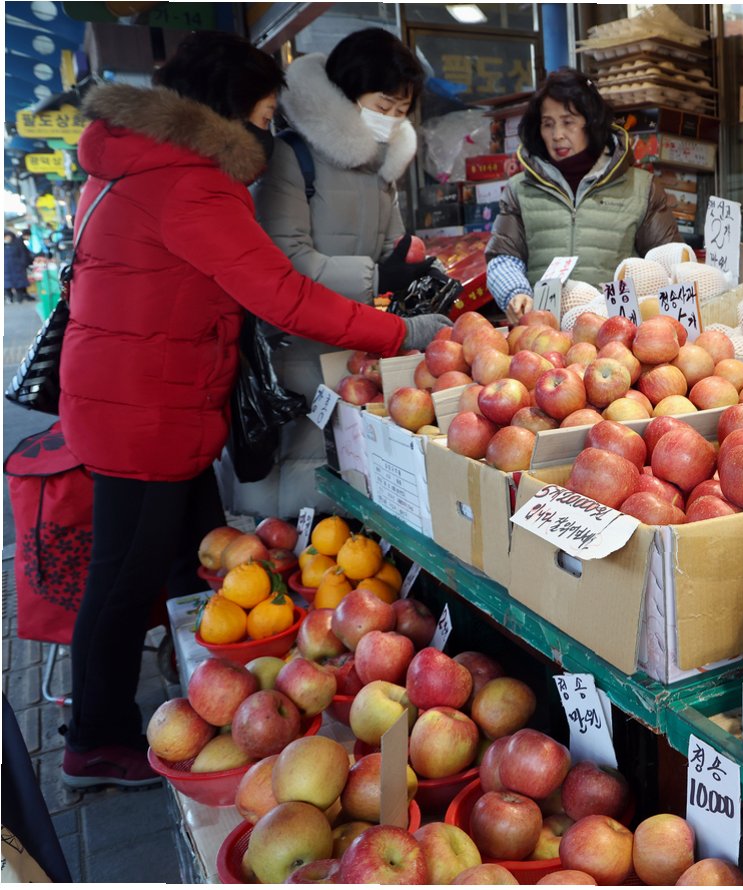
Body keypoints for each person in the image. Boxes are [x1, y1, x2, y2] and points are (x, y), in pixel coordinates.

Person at [57, 31, 448, 789]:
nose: (269, 134)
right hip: (145, 412)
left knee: (200, 555)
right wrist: (401, 333)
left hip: (134, 395)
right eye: (265, 117)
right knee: (125, 576)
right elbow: (284, 293)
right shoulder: (188, 182)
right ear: (229, 110)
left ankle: (201, 685)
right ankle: (95, 739)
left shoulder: (135, 163)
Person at [240, 28, 430, 518]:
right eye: (383, 105)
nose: (392, 120)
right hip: (295, 352)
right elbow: (285, 262)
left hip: (354, 350)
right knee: (293, 498)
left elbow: (392, 247)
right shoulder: (292, 156)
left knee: (347, 492)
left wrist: (413, 268)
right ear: (348, 93)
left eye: (401, 110)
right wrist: (378, 278)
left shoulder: (382, 171)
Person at [486, 68, 680, 323]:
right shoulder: (519, 189)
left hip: (620, 333)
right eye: (548, 124)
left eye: (568, 122)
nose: (557, 135)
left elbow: (669, 265)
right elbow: (504, 257)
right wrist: (515, 292)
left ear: (591, 122)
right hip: (542, 334)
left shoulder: (642, 187)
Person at [4, 230, 33, 302]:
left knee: (19, 284)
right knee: (7, 284)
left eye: (8, 237)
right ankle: (10, 297)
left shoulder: (17, 243)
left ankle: (20, 298)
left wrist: (23, 263)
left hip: (18, 267)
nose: (7, 238)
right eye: (5, 237)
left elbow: (23, 254)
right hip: (6, 268)